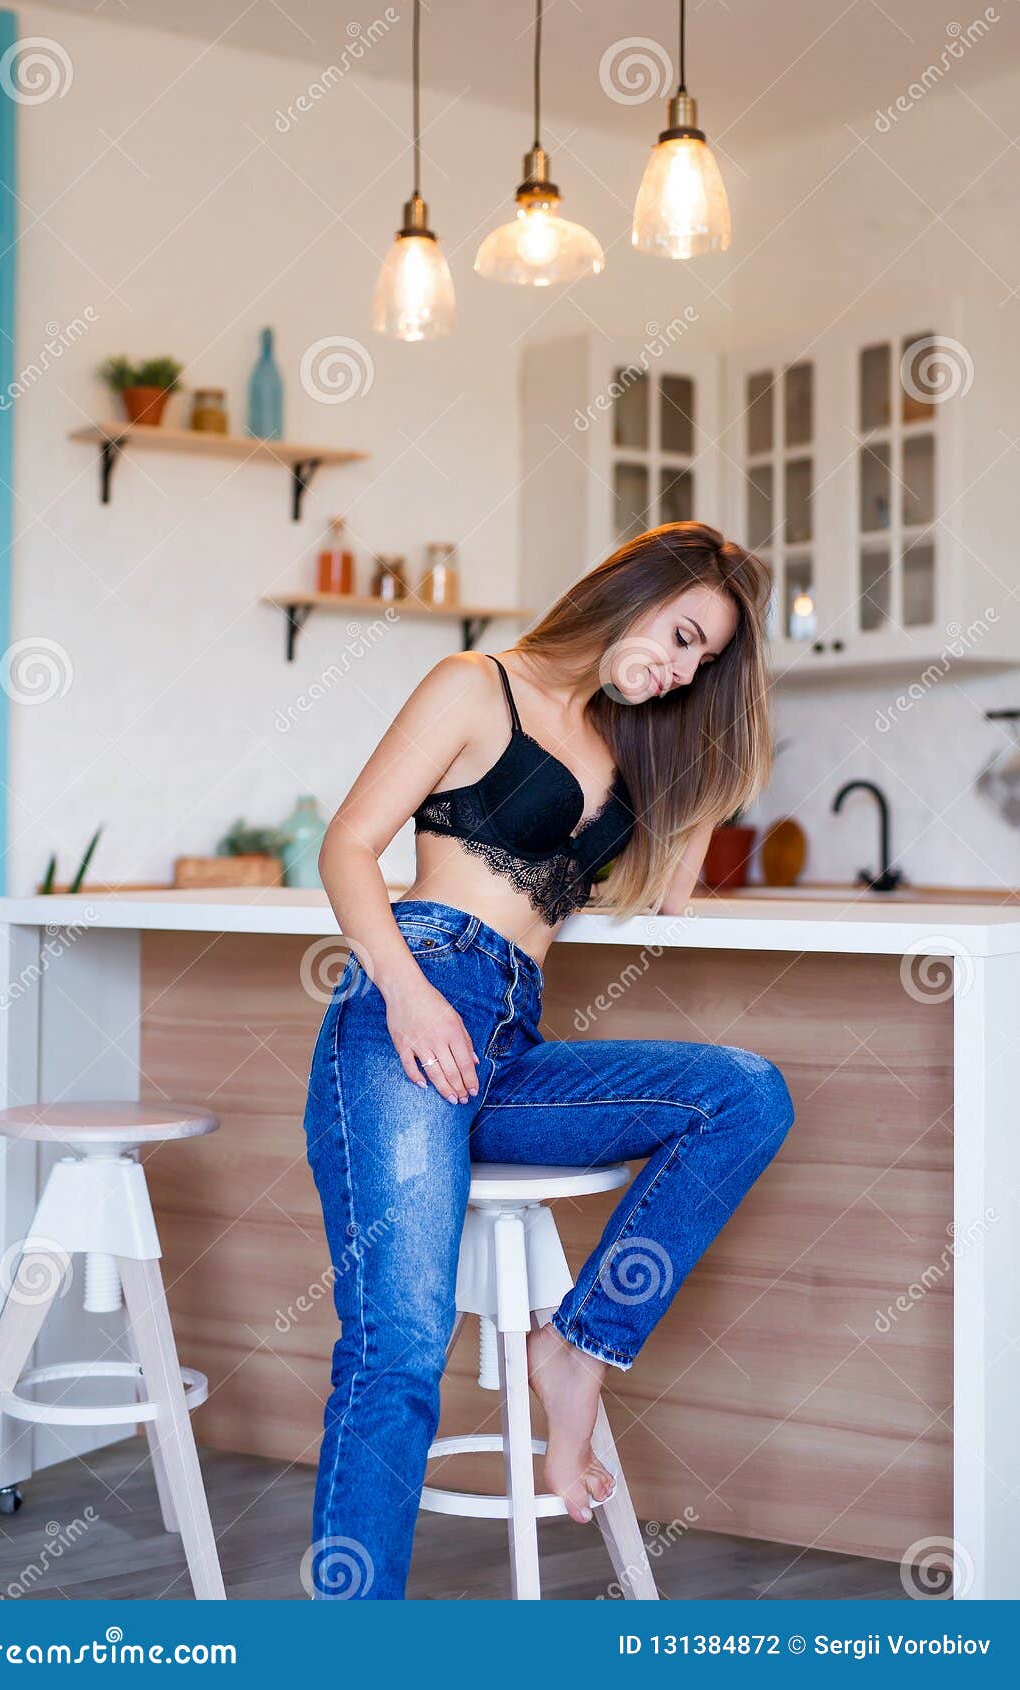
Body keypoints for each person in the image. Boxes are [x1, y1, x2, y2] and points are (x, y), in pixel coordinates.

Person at [302, 521, 796, 1599]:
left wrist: (707, 737)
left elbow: (667, 895)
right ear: (629, 590)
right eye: (678, 635)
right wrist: (408, 991)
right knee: (398, 1347)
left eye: (700, 659)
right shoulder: (475, 683)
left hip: (509, 1045)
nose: (678, 665)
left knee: (742, 1094)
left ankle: (576, 1348)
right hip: (409, 1009)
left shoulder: (630, 747)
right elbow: (346, 846)